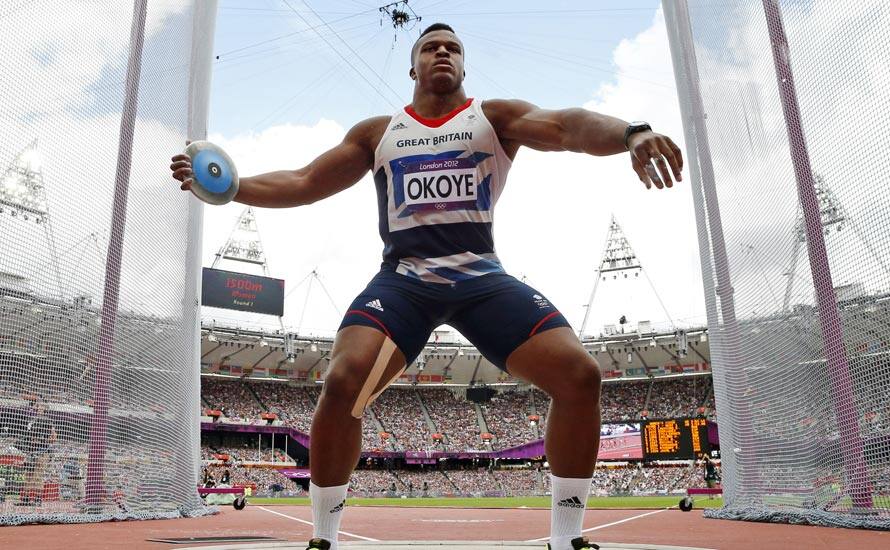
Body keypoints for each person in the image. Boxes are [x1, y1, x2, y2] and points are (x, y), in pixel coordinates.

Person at [171, 23, 682, 550]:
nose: (443, 52)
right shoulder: (377, 133)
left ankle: (567, 537)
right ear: (413, 67)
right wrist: (231, 187)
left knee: (580, 376)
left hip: (481, 277)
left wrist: (631, 133)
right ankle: (323, 538)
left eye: (454, 48)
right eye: (431, 47)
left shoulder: (494, 118)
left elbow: (565, 126)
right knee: (344, 380)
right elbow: (305, 181)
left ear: (464, 66)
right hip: (404, 280)